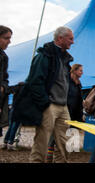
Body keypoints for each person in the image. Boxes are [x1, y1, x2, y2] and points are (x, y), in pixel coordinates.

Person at [12, 26, 74, 163]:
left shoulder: (65, 60)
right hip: (50, 105)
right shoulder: (44, 56)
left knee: (64, 142)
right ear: (60, 38)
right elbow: (35, 81)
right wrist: (45, 103)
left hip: (63, 106)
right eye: (70, 38)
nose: (73, 42)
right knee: (42, 140)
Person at [47, 63, 85, 162]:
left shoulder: (79, 84)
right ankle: (49, 156)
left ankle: (61, 158)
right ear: (74, 70)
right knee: (55, 135)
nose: (82, 72)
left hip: (73, 113)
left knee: (65, 136)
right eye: (80, 70)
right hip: (62, 110)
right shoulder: (66, 81)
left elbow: (78, 99)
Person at [1, 82, 24, 150]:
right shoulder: (25, 87)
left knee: (11, 126)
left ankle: (5, 142)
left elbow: (8, 91)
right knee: (15, 126)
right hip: (20, 109)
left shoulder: (16, 86)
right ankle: (10, 143)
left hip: (13, 107)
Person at [0, 26, 12, 136]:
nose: (9, 41)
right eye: (6, 38)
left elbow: (4, 78)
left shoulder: (4, 57)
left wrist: (3, 87)